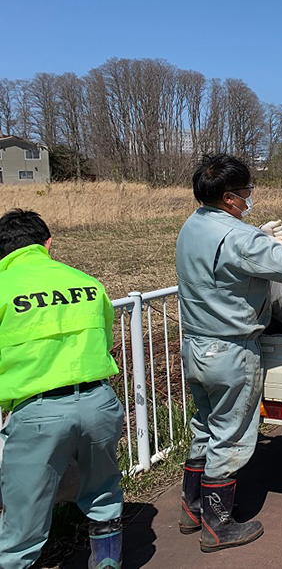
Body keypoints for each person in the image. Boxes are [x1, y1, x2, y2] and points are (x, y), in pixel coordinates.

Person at [176, 154, 282, 552]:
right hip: (231, 350)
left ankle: (191, 508)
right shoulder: (241, 237)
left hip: (194, 345)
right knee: (231, 437)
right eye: (248, 190)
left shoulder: (191, 226)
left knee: (206, 424)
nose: (251, 196)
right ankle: (219, 526)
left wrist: (255, 236)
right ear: (231, 197)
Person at [0, 209, 124, 569]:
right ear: (48, 243)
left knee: (24, 518)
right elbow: (105, 338)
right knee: (103, 491)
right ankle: (106, 563)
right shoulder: (85, 282)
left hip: (39, 412)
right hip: (99, 401)